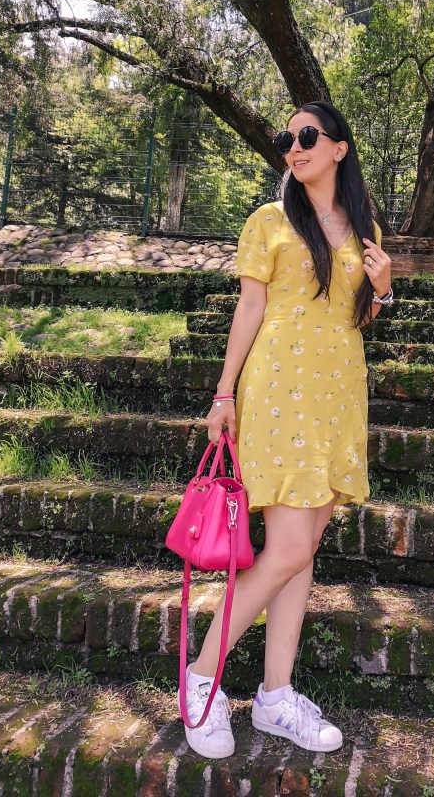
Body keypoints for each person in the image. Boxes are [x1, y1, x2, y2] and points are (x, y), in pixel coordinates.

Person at [182, 100, 393, 759]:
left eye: (307, 135)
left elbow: (357, 317)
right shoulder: (269, 221)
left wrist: (384, 289)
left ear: (340, 148)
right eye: (287, 138)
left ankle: (275, 697)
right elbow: (250, 307)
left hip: (339, 393)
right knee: (289, 550)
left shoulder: (364, 227)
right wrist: (224, 392)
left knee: (300, 552)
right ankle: (200, 680)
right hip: (279, 390)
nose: (294, 147)